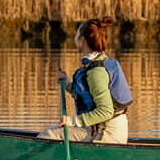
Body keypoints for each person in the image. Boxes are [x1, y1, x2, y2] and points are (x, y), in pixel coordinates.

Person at [37, 16, 133, 144]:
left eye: (76, 36)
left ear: (82, 40)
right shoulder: (97, 63)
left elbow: (106, 111)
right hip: (99, 128)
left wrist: (72, 121)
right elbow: (88, 95)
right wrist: (66, 83)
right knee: (52, 133)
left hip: (107, 133)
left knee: (47, 135)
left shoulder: (96, 72)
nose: (75, 39)